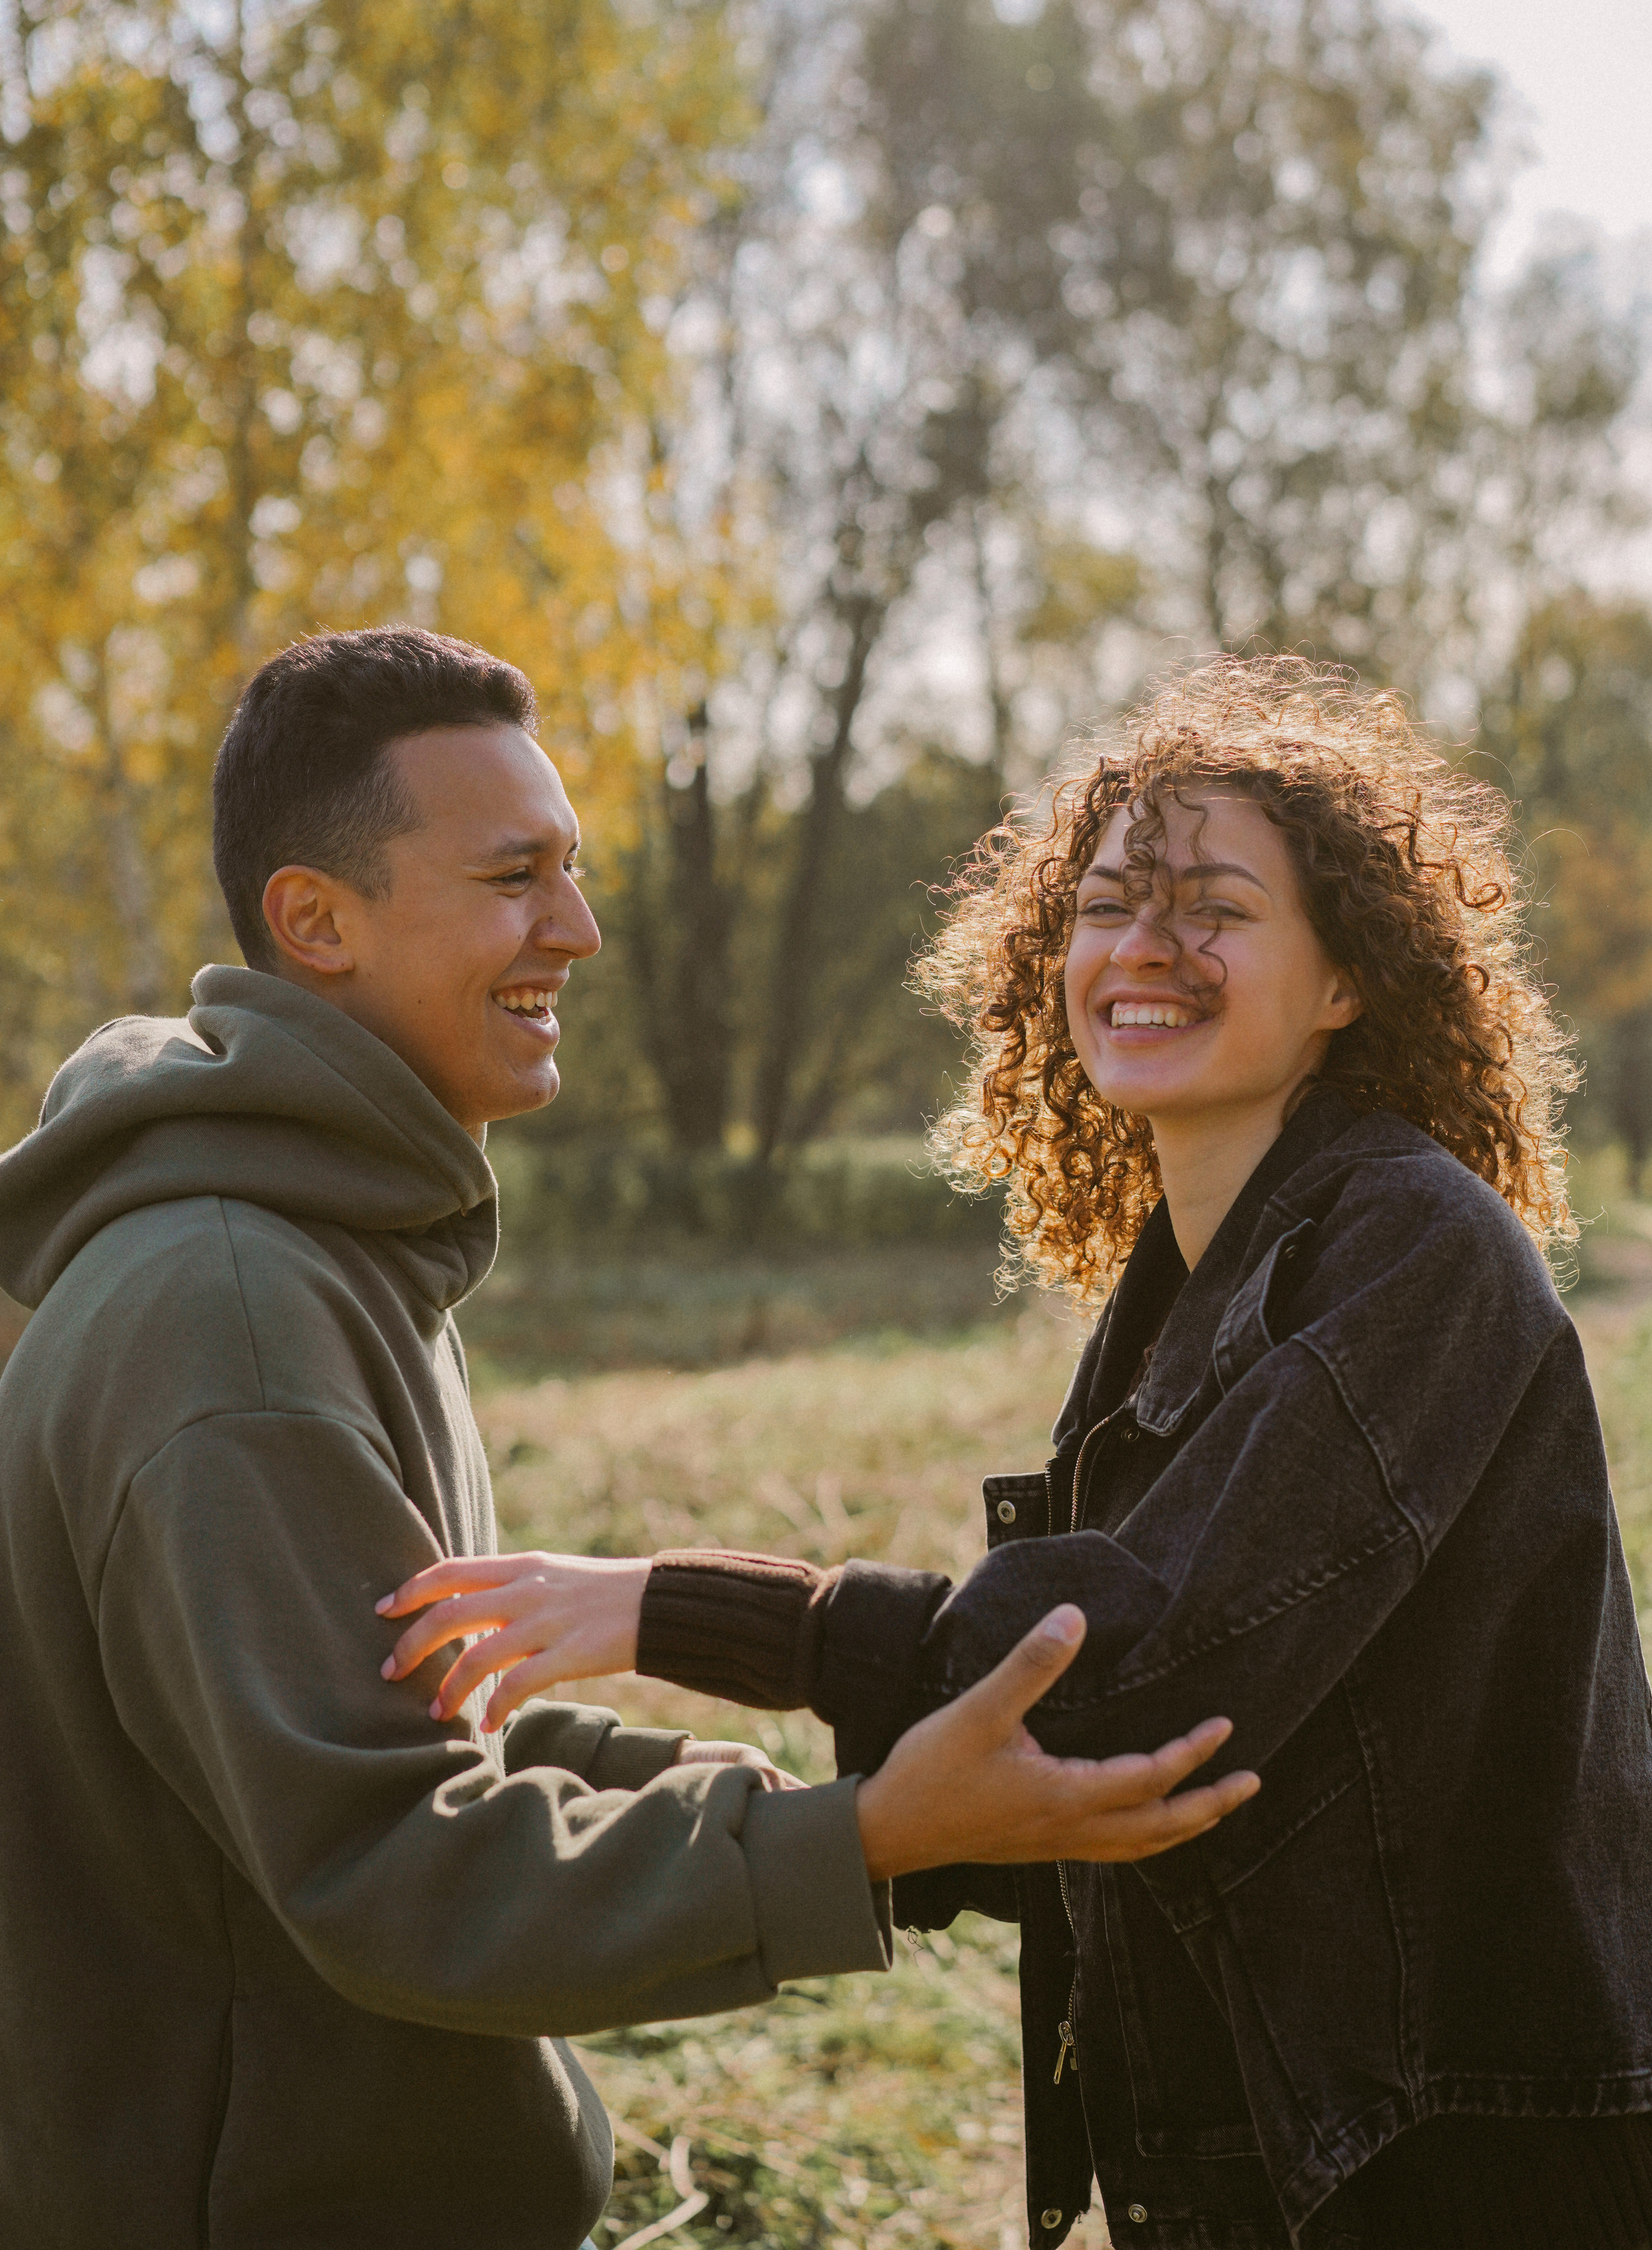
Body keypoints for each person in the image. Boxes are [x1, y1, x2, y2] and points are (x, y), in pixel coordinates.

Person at [0, 627, 1256, 2250]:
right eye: (515, 874)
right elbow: (390, 1864)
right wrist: (859, 1836)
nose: (576, 929)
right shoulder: (234, 1317)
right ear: (317, 920)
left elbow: (396, 1721)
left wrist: (736, 1791)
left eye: (572, 870)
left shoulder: (311, 1249)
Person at [381, 656, 1652, 2250]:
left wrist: (680, 1606)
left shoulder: (1415, 1247)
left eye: (1215, 907)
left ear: (1346, 979)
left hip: (1453, 2158)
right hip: (1261, 2140)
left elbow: (1135, 1672)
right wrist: (807, 1822)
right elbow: (1125, 1790)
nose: (1144, 947)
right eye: (1112, 899)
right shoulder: (1189, 1273)